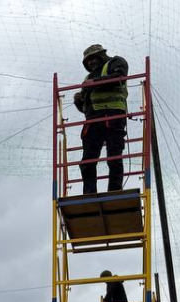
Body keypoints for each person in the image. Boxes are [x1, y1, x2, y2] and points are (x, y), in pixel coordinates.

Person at [74, 44, 130, 195]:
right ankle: (89, 194)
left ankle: (114, 191)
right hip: (92, 121)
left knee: (114, 156)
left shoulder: (116, 62)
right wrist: (78, 101)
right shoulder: (88, 78)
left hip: (113, 116)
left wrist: (95, 83)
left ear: (101, 55)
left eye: (93, 58)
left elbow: (119, 78)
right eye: (88, 61)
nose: (91, 62)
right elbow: (85, 107)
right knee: (87, 162)